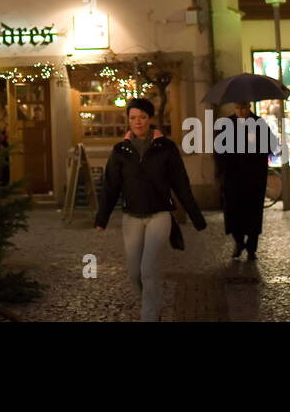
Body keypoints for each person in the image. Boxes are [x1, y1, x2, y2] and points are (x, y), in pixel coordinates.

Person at [95, 98, 206, 321]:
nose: (137, 122)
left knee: (148, 270)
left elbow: (181, 184)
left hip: (159, 216)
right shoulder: (120, 151)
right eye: (133, 118)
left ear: (150, 119)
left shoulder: (165, 147)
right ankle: (153, 305)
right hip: (131, 218)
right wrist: (102, 218)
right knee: (134, 273)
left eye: (142, 117)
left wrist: (196, 217)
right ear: (128, 120)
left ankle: (150, 316)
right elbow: (111, 187)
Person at [216, 102, 272, 260]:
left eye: (244, 108)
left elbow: (268, 147)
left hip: (254, 177)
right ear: (234, 108)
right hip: (233, 176)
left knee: (253, 211)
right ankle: (239, 242)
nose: (241, 111)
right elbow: (219, 150)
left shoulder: (259, 123)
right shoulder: (227, 124)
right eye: (238, 108)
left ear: (249, 108)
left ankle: (252, 247)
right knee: (233, 210)